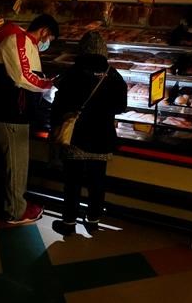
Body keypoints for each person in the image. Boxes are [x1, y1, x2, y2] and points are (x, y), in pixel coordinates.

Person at [50, 31, 127, 235]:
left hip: (76, 137)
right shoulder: (114, 75)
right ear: (104, 51)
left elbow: (59, 103)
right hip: (103, 137)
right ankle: (93, 220)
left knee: (72, 182)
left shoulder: (73, 73)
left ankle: (68, 223)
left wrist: (55, 124)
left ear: (82, 49)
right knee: (97, 182)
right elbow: (121, 106)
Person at [0, 13, 59, 224]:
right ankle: (16, 212)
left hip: (17, 113)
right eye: (50, 38)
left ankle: (16, 204)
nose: (47, 43)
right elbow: (23, 77)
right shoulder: (18, 40)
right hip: (9, 113)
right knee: (16, 164)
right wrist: (49, 85)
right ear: (44, 31)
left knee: (18, 163)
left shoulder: (28, 44)